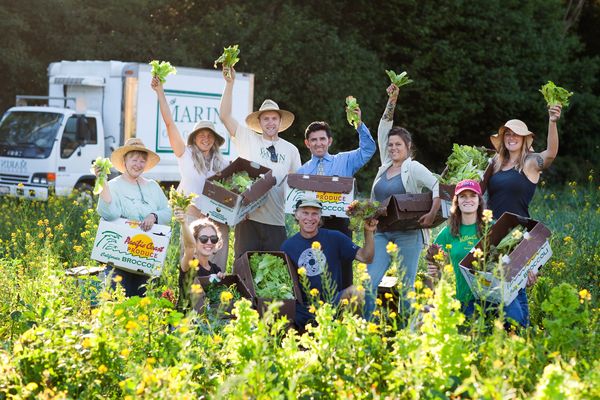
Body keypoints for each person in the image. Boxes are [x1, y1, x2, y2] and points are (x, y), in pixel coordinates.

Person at [365, 83, 441, 318]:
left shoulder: (412, 168)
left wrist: (431, 214)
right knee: (369, 283)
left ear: (408, 147)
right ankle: (364, 332)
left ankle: (406, 336)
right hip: (381, 232)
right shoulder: (384, 167)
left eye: (399, 144)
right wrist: (392, 101)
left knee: (407, 287)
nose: (394, 148)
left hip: (409, 234)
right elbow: (383, 128)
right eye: (391, 145)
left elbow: (438, 186)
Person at [485, 104, 562, 326]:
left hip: (517, 235)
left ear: (524, 139)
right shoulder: (496, 163)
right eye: (507, 134)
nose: (511, 137)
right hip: (492, 233)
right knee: (500, 289)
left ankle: (519, 334)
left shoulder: (529, 163)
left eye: (516, 134)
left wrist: (552, 121)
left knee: (514, 289)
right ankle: (514, 337)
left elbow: (551, 153)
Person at [427, 179, 535, 327]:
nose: (468, 200)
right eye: (463, 196)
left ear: (479, 201)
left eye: (472, 196)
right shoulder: (447, 233)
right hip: (467, 298)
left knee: (514, 323)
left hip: (498, 293)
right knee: (474, 337)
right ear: (456, 201)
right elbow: (434, 265)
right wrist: (435, 271)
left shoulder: (494, 227)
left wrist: (526, 277)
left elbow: (514, 259)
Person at [219, 66, 301, 259]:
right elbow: (224, 116)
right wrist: (229, 84)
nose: (270, 123)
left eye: (274, 118)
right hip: (248, 219)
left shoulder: (291, 150)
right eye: (266, 119)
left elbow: (297, 186)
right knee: (243, 268)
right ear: (260, 122)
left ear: (280, 122)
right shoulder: (248, 138)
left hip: (276, 221)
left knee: (273, 273)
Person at [151, 76, 230, 270]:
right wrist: (160, 91)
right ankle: (190, 300)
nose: (206, 138)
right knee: (191, 264)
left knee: (217, 266)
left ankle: (217, 299)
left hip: (218, 222)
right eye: (201, 135)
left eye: (210, 135)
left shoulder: (223, 163)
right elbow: (169, 124)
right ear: (194, 139)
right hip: (193, 217)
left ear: (215, 140)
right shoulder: (185, 155)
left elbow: (233, 193)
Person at [296, 118, 376, 290]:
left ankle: (345, 310)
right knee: (315, 270)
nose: (319, 143)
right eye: (314, 140)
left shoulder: (344, 160)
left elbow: (368, 150)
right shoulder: (302, 172)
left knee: (343, 269)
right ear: (307, 143)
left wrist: (359, 124)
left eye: (322, 139)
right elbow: (295, 204)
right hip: (313, 226)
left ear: (329, 141)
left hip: (340, 225)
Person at [281, 199, 377, 329]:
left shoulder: (335, 237)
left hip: (333, 303)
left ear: (320, 216)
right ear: (296, 215)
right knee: (280, 318)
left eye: (314, 213)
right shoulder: (287, 246)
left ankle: (352, 337)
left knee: (357, 292)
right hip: (304, 309)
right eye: (305, 213)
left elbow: (366, 258)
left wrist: (368, 232)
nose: (310, 218)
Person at [95, 138, 171, 297]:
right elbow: (110, 214)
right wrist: (102, 183)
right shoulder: (114, 185)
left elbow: (168, 211)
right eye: (134, 159)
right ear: (125, 161)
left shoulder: (152, 186)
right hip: (118, 257)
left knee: (142, 302)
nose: (138, 164)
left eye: (142, 160)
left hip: (145, 257)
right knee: (117, 300)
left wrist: (154, 215)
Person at [174, 208, 225, 305]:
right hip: (187, 317)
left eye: (213, 239)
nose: (209, 242)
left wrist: (222, 281)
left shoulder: (215, 268)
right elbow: (189, 246)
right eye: (204, 238)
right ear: (195, 240)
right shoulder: (189, 264)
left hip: (207, 317)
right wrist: (184, 223)